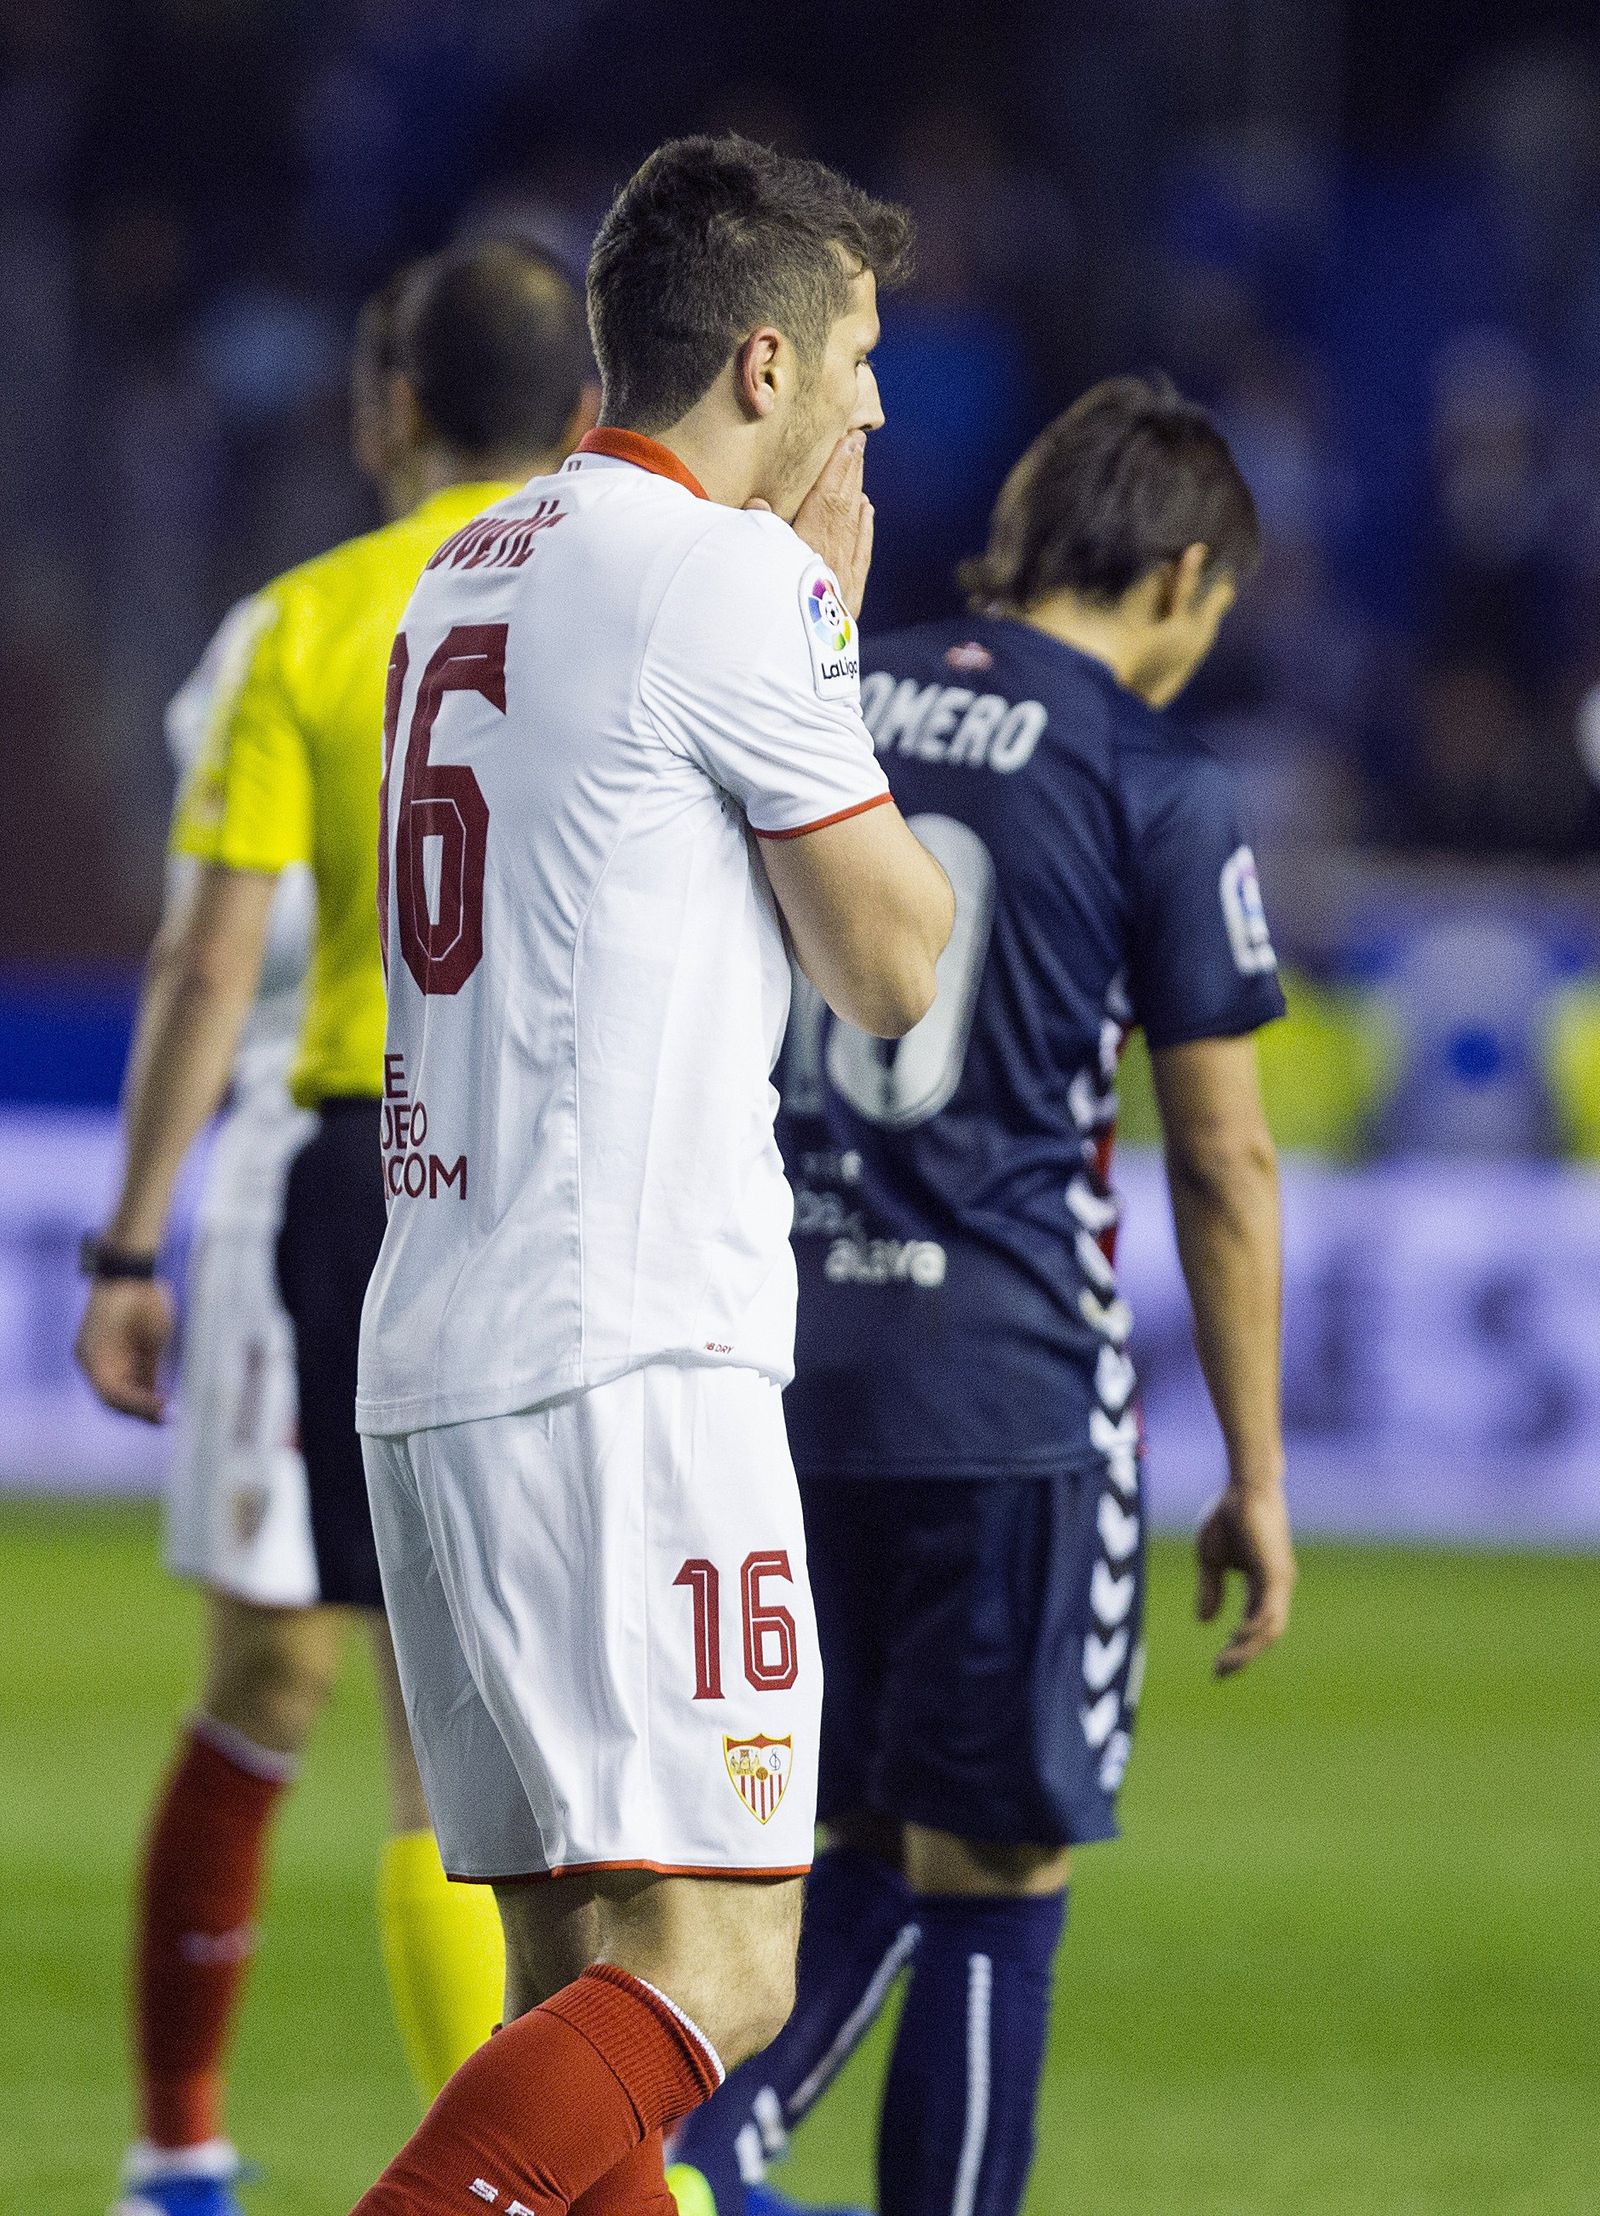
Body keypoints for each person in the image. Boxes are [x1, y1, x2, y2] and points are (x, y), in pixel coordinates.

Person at [346, 134, 954, 2216]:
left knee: (573, 1998)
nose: (877, 407)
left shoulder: (470, 560)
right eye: (861, 357)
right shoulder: (724, 578)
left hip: (440, 1337)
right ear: (765, 362)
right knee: (719, 1968)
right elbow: (888, 964)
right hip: (631, 1357)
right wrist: (829, 655)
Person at [672, 375, 1299, 2216]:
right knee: (997, 1870)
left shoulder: (827, 681)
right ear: (1183, 575)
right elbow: (1224, 1159)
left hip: (775, 1365)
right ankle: (715, 2165)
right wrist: (1257, 1471)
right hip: (1008, 1386)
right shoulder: (1152, 775)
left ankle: (702, 2154)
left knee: (848, 1827)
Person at [75, 244, 596, 2216]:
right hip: (544, 1178)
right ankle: (224, 2149)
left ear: (383, 406)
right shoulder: (614, 610)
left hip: (332, 1172)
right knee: (456, 1725)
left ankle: (218, 2146)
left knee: (296, 1678)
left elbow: (211, 951)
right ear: (577, 414)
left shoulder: (294, 628)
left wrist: (125, 1245)